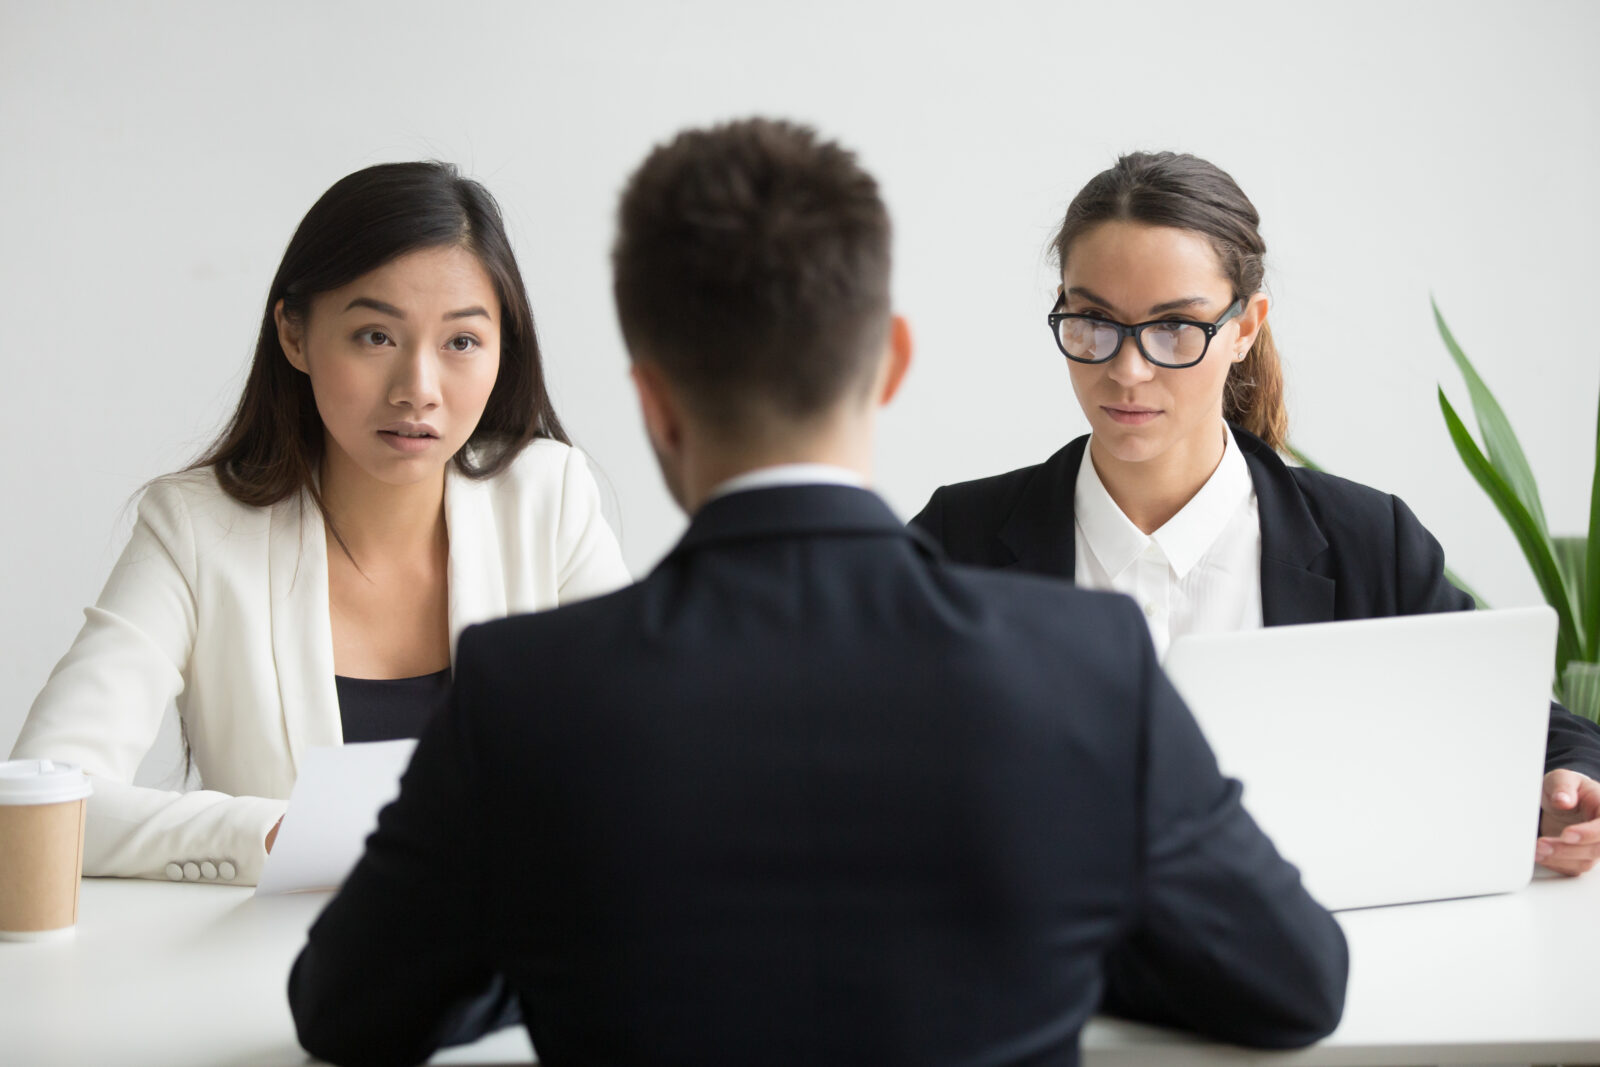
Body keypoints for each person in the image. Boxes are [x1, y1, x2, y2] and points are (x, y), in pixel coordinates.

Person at [288, 120, 1347, 1067]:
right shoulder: (1085, 661)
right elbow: (1293, 983)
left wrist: (541, 935)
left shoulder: (524, 689)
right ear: (889, 362)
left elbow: (345, 1012)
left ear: (651, 396)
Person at [910, 150, 1600, 878]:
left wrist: (1572, 783)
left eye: (1175, 326)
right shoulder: (958, 540)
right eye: (1093, 321)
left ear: (1244, 328)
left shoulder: (1369, 543)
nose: (1127, 369)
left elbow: (1537, 729)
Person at [10, 161, 631, 886]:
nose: (418, 391)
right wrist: (281, 832)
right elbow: (39, 800)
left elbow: (641, 762)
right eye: (375, 336)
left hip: (517, 979)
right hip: (283, 983)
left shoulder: (548, 497)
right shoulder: (195, 530)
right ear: (295, 335)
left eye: (461, 342)